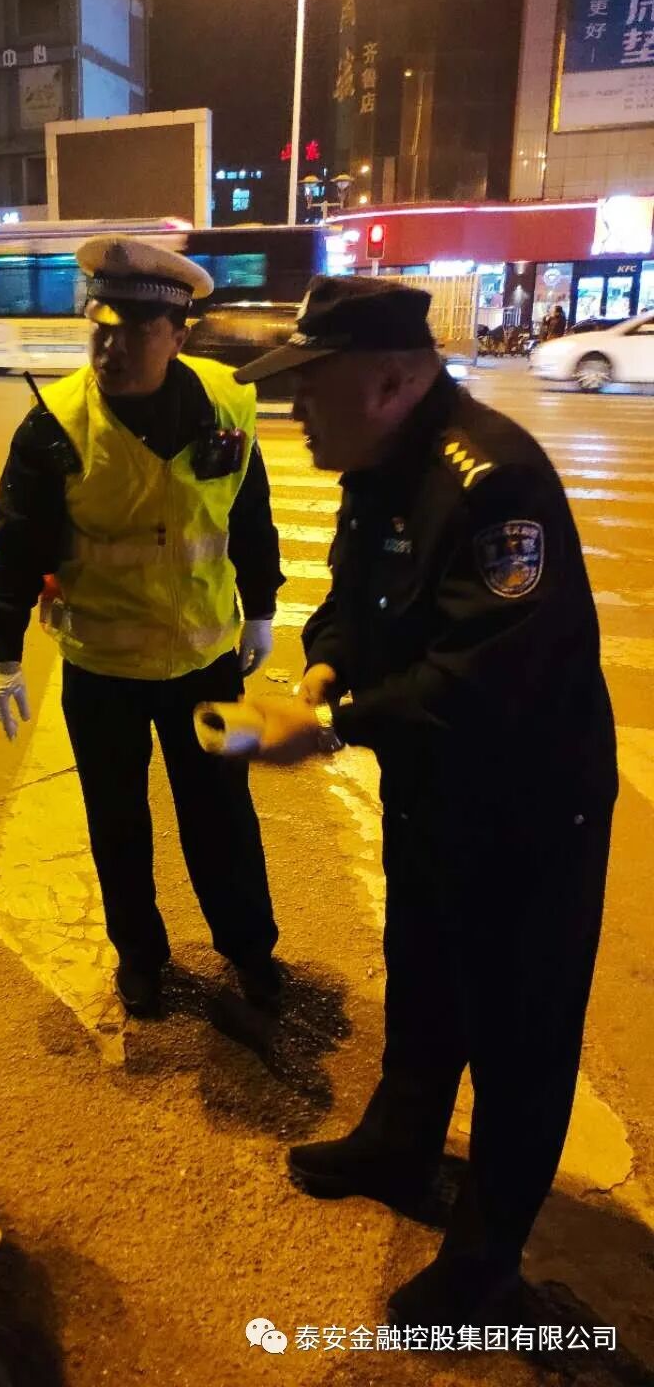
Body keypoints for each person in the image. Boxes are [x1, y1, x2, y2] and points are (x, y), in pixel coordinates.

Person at [231, 276, 617, 1325]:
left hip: (527, 811)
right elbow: (353, 603)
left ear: (394, 380)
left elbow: (483, 678)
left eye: (312, 388)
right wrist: (323, 671)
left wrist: (332, 726)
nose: (294, 411)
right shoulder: (379, 464)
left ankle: (487, 1264)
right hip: (436, 788)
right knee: (427, 976)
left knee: (520, 1034)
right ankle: (399, 1146)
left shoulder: (492, 480)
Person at [0, 235, 285, 1017]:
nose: (110, 348)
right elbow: (18, 545)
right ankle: (140, 958)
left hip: (209, 659)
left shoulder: (228, 402)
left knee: (225, 817)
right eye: (100, 327)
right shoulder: (55, 425)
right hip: (102, 669)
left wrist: (262, 607)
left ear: (179, 334)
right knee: (117, 823)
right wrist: (2, 649)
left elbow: (249, 513)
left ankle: (250, 949)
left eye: (135, 330)